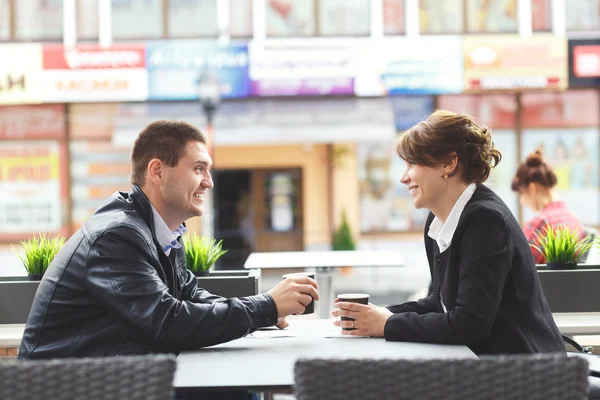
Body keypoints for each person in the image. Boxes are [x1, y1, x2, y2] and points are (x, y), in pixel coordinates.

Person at [19, 120, 319, 361]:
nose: (209, 182)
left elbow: (190, 296)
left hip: (117, 376)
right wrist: (263, 307)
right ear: (157, 171)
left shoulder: (163, 230)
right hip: (69, 387)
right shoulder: (117, 236)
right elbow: (167, 322)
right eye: (199, 168)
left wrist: (262, 313)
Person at [332, 110, 565, 355]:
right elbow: (438, 303)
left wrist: (387, 323)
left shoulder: (485, 221)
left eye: (412, 164)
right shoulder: (439, 220)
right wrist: (378, 315)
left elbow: (470, 324)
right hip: (487, 366)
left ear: (449, 164)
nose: (403, 178)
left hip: (529, 373)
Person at [511, 148, 585, 264]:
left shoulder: (540, 224)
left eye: (522, 194)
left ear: (532, 188)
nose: (521, 201)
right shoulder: (573, 219)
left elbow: (521, 270)